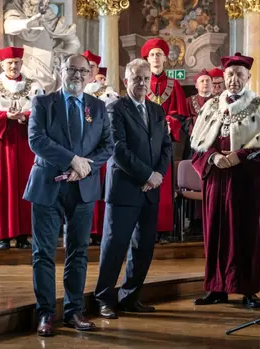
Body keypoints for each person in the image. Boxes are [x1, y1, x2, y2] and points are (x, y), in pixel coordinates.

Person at [24, 53, 112, 337]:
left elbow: (107, 146)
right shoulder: (42, 102)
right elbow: (36, 140)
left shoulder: (98, 107)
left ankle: (74, 311)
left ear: (89, 74)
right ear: (60, 71)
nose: (76, 74)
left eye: (82, 71)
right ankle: (47, 314)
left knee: (78, 253)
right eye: (71, 69)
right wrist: (72, 160)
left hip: (83, 188)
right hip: (47, 185)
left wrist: (84, 169)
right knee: (43, 254)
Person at [191, 52, 260, 309]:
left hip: (244, 181)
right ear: (224, 77)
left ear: (248, 78)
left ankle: (247, 289)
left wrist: (240, 156)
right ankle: (216, 287)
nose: (234, 79)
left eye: (239, 75)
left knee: (244, 233)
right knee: (214, 233)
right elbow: (197, 145)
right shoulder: (210, 107)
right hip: (215, 180)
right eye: (230, 75)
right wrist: (211, 158)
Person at [94, 58, 173, 318]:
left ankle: (130, 296)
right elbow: (118, 150)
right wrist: (147, 175)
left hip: (151, 191)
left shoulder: (157, 110)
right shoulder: (115, 109)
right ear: (126, 81)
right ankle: (104, 299)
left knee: (143, 247)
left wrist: (158, 175)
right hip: (125, 189)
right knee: (114, 246)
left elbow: (166, 147)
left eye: (145, 78)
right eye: (136, 78)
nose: (141, 83)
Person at [0, 46, 44, 250]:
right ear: (3, 64)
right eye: (9, 63)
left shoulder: (34, 86)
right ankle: (3, 235)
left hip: (25, 141)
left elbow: (42, 112)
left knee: (25, 185)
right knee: (1, 185)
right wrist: (5, 116)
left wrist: (24, 116)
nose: (13, 66)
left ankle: (23, 234)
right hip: (1, 141)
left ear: (22, 63)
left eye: (17, 62)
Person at [142, 38, 188, 242]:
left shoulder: (174, 83)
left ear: (165, 58)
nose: (155, 58)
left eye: (159, 54)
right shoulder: (140, 81)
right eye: (152, 54)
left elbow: (180, 114)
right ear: (147, 58)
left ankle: (165, 229)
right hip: (143, 142)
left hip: (164, 143)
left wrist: (168, 122)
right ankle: (147, 228)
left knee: (165, 183)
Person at [84, 62, 119, 245]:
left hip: (101, 146)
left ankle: (100, 230)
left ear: (98, 69)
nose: (90, 70)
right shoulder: (74, 90)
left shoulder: (108, 91)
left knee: (101, 186)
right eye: (86, 66)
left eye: (93, 66)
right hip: (80, 148)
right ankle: (85, 230)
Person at [183, 69, 214, 160]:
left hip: (212, 144)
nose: (205, 83)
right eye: (202, 81)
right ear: (196, 85)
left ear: (212, 84)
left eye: (208, 80)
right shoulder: (188, 102)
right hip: (192, 144)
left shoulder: (219, 101)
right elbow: (183, 122)